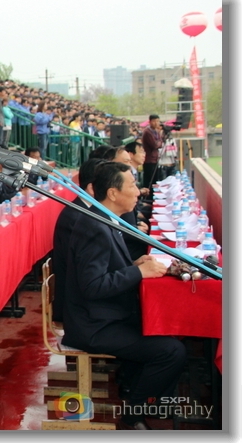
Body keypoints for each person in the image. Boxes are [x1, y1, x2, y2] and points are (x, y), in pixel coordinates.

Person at [62, 162, 186, 431]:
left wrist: (133, 264)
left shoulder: (106, 218)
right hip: (94, 325)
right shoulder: (94, 226)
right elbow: (92, 286)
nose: (138, 192)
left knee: (166, 330)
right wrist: (138, 272)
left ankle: (139, 392)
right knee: (172, 352)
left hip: (108, 313)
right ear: (113, 193)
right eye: (131, 185)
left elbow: (105, 268)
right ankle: (132, 416)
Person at [51, 157, 104, 323]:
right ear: (92, 188)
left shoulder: (89, 212)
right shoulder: (76, 218)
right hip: (77, 306)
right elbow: (84, 273)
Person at [141, 115, 163, 196]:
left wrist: (158, 143)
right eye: (154, 121)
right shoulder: (147, 132)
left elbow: (160, 143)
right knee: (149, 181)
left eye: (158, 121)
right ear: (150, 122)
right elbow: (154, 145)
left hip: (155, 159)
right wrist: (158, 143)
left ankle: (154, 196)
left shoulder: (156, 131)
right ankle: (148, 197)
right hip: (149, 160)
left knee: (155, 181)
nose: (156, 123)